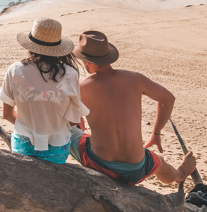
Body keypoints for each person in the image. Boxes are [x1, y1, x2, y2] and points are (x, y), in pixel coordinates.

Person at [69, 30, 196, 185]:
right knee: (159, 163)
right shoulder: (135, 78)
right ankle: (180, 174)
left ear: (85, 61)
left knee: (67, 132)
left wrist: (78, 121)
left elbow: (69, 118)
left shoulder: (80, 86)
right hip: (136, 169)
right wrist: (156, 133)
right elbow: (168, 99)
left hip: (99, 165)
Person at [0, 17, 89, 164]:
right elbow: (73, 120)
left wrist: (33, 131)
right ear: (58, 48)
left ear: (31, 45)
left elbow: (7, 114)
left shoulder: (15, 70)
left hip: (23, 147)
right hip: (57, 150)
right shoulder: (71, 74)